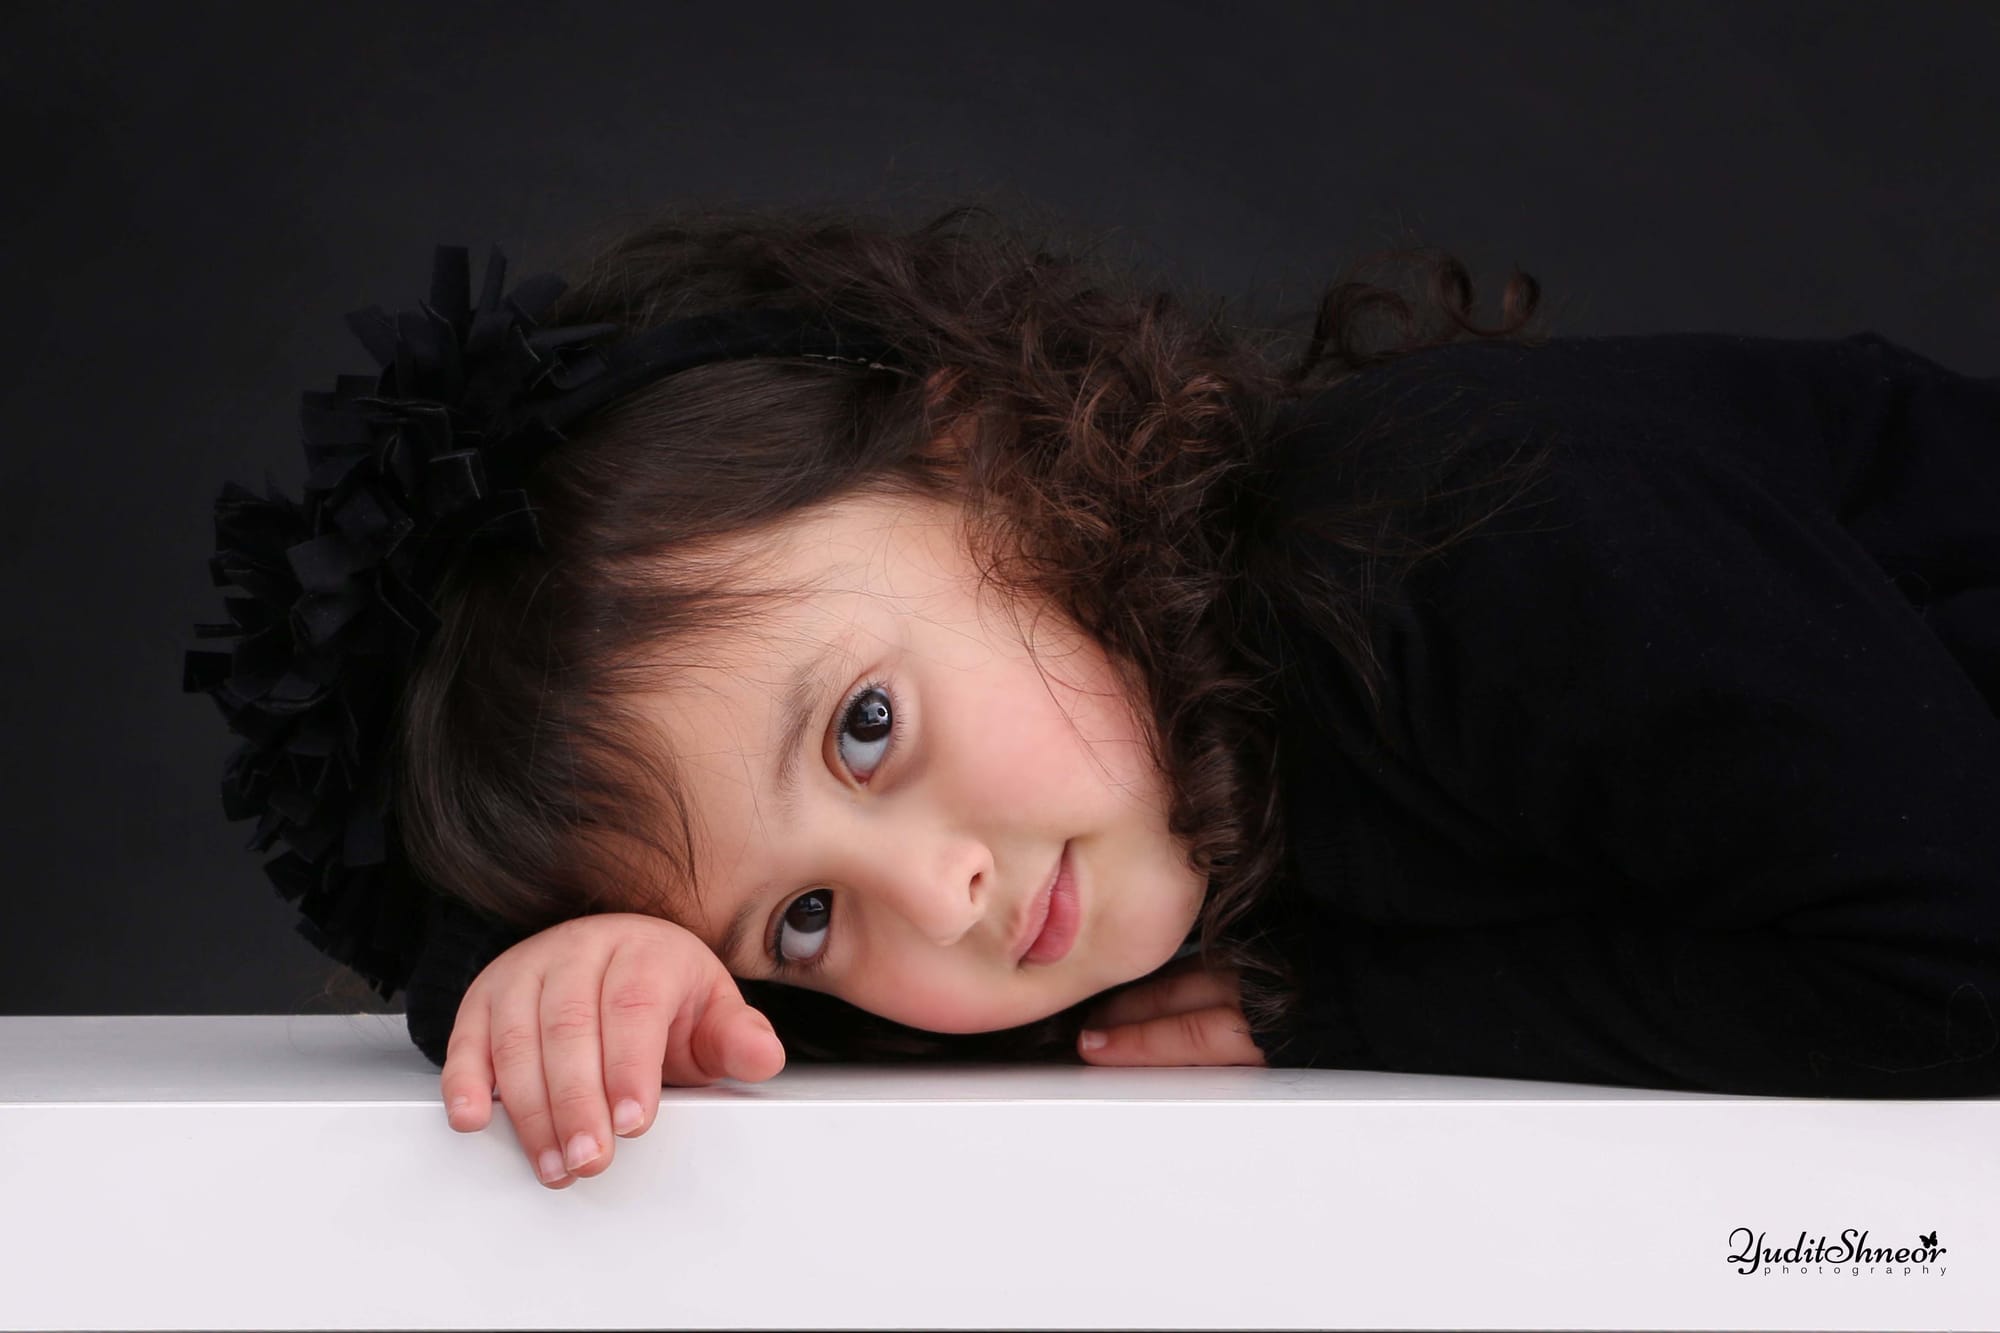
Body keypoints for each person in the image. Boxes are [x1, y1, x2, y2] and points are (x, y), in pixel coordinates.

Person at [186, 201, 2000, 1191]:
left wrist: (1346, 1004)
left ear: (991, 458)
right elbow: (778, 1015)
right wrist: (583, 968)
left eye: (866, 727)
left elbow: (1966, 969)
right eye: (800, 919)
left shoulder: (1475, 548)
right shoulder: (1079, 854)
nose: (938, 900)